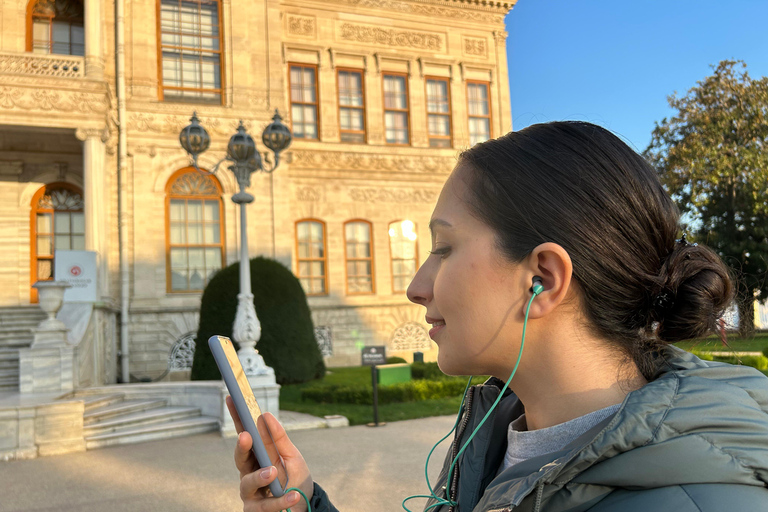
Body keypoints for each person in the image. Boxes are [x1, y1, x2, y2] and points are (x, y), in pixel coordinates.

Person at [227, 121, 768, 512]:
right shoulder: (498, 438)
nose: (416, 287)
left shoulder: (693, 498)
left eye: (442, 248)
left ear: (543, 279)